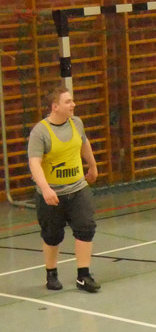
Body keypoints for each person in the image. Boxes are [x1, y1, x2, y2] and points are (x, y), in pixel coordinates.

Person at [27, 86, 101, 292]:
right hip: (52, 194)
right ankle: (51, 273)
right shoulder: (40, 132)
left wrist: (92, 166)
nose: (73, 105)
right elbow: (34, 163)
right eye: (68, 102)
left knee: (86, 227)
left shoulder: (76, 123)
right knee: (52, 235)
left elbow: (84, 144)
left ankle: (83, 275)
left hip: (78, 189)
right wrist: (46, 189)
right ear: (55, 107)